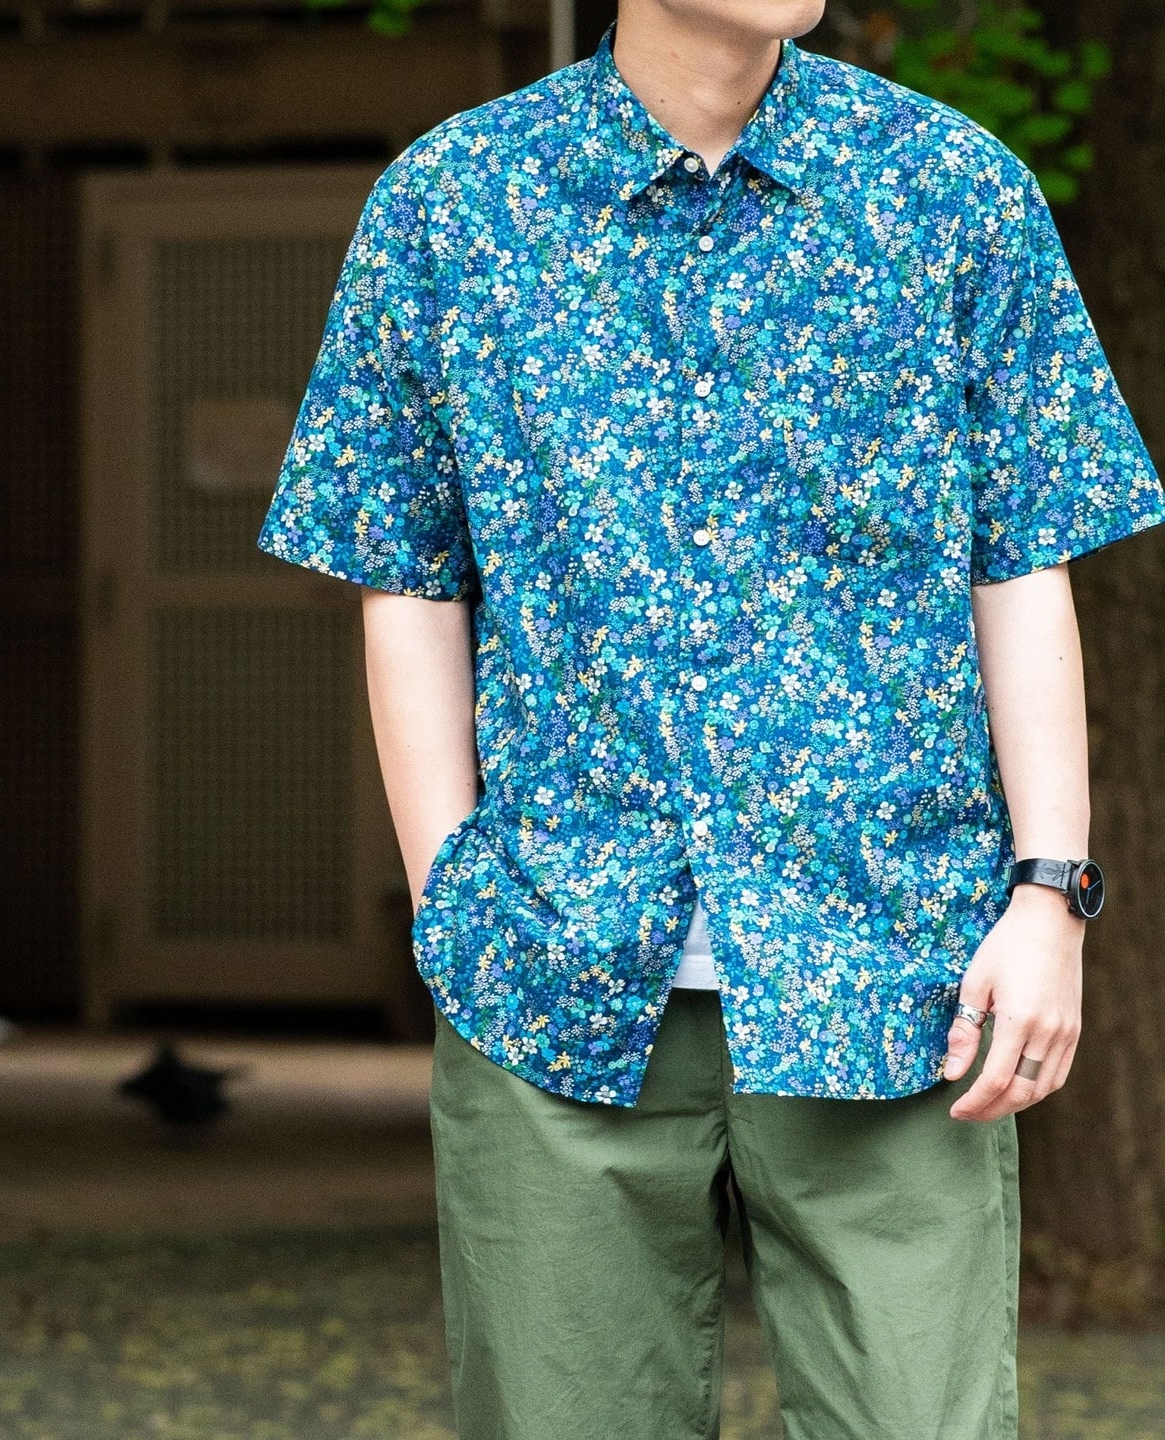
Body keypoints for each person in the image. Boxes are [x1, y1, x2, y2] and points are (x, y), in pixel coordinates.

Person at [257, 0, 1165, 1434]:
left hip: (898, 969)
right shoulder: (455, 204)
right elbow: (406, 573)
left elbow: (1021, 558)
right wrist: (455, 899)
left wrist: (1050, 892)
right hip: (554, 969)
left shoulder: (948, 189)